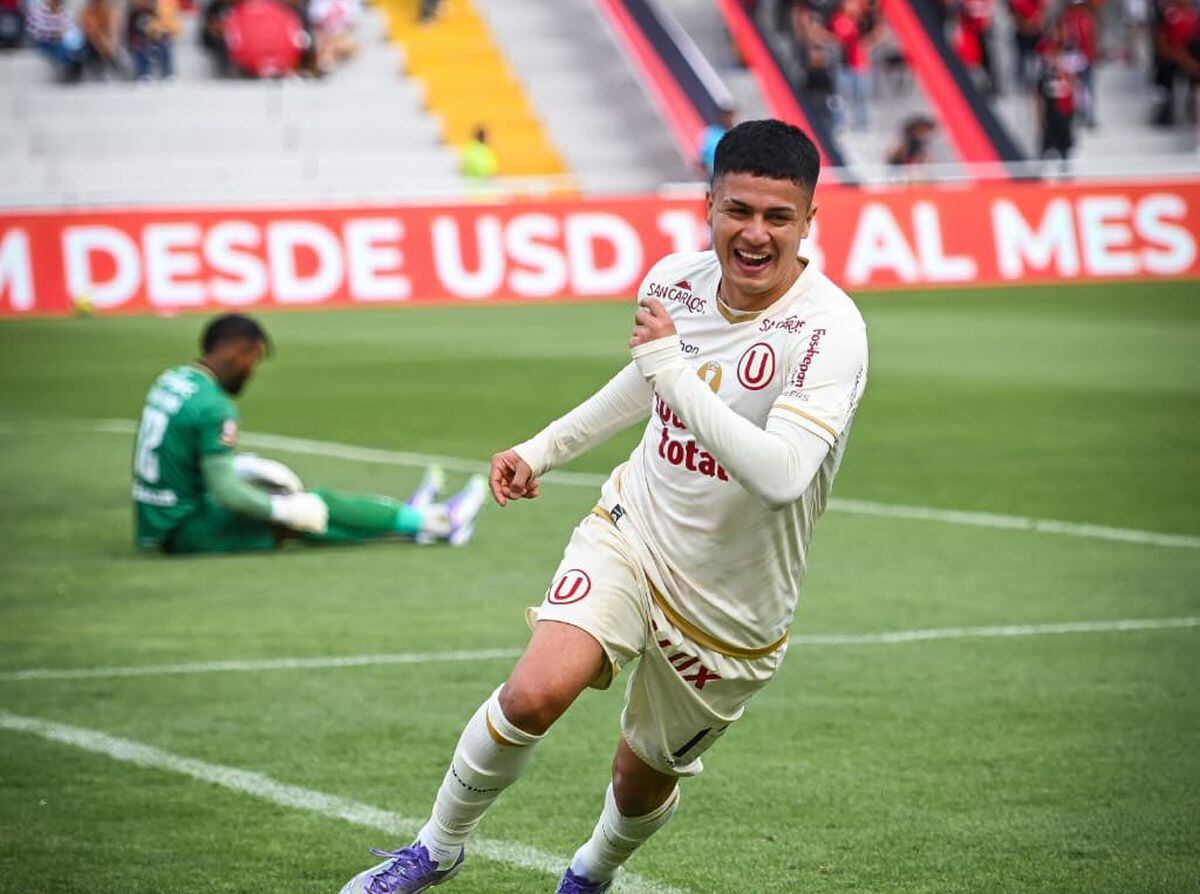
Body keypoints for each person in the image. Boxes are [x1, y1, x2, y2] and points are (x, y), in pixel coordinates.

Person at [338, 118, 869, 894]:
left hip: (734, 604)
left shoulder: (830, 330)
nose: (755, 234)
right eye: (738, 210)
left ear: (809, 222)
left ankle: (591, 874)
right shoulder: (674, 284)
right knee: (534, 692)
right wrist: (544, 448)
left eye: (777, 217)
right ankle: (435, 848)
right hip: (635, 529)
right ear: (710, 204)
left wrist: (674, 371)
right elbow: (644, 382)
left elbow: (783, 473)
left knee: (639, 777)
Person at [132, 314, 486, 555]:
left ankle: (409, 521)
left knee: (300, 510)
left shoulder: (174, 379)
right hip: (185, 530)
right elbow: (227, 494)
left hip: (157, 518)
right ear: (238, 351)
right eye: (253, 359)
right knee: (312, 509)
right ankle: (434, 521)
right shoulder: (214, 406)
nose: (251, 371)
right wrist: (280, 508)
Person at [27, 0, 85, 81]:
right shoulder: (37, 11)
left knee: (73, 44)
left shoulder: (62, 12)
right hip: (44, 42)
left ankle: (71, 64)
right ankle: (68, 64)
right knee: (59, 46)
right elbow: (37, 31)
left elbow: (68, 28)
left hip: (60, 41)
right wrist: (55, 33)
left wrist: (59, 34)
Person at [79, 0, 124, 78]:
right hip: (92, 46)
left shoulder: (111, 11)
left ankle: (114, 66)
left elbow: (113, 30)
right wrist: (104, 47)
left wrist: (110, 45)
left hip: (107, 45)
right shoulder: (88, 12)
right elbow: (93, 33)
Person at [697, 105, 734, 177]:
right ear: (721, 117)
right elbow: (703, 156)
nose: (730, 119)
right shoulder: (711, 133)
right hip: (716, 174)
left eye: (731, 116)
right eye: (727, 116)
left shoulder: (734, 133)